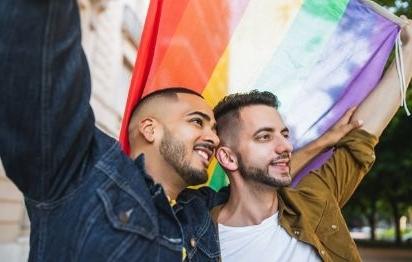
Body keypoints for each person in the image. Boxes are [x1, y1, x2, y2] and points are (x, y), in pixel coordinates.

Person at [0, 0, 353, 261]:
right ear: (149, 129)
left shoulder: (203, 213)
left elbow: (259, 169)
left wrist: (324, 141)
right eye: (197, 121)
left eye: (214, 128)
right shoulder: (80, 172)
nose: (214, 138)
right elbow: (40, 60)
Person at [210, 18, 412, 262]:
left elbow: (363, 135)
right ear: (228, 157)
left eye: (284, 134)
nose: (285, 146)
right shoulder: (193, 236)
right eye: (264, 137)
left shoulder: (313, 202)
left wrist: (409, 50)